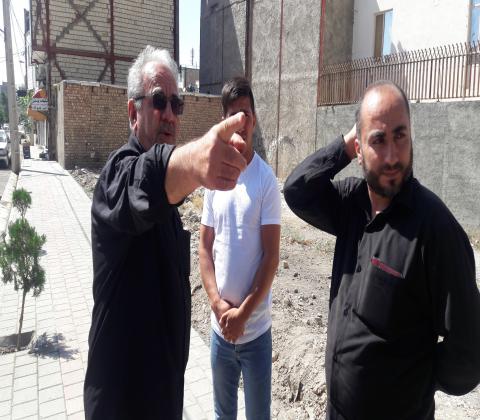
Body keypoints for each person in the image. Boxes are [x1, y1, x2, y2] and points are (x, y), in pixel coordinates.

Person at [284, 80, 480, 420]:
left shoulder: (435, 229)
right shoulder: (350, 204)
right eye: (378, 139)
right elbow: (297, 190)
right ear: (358, 148)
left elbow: (469, 354)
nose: (392, 156)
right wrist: (347, 144)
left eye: (400, 136)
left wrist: (417, 380)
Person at [84, 46, 248, 420]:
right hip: (122, 402)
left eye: (177, 104)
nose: (171, 114)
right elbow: (145, 178)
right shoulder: (116, 177)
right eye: (159, 101)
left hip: (164, 397)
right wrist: (194, 162)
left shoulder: (170, 201)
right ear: (133, 112)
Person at [199, 77, 281, 420]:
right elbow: (205, 247)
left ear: (254, 119)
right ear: (224, 121)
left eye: (246, 114)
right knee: (223, 415)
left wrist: (242, 315)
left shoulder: (265, 181)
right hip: (220, 331)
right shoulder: (214, 178)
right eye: (233, 115)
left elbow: (271, 258)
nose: (241, 122)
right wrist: (218, 306)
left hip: (256, 333)